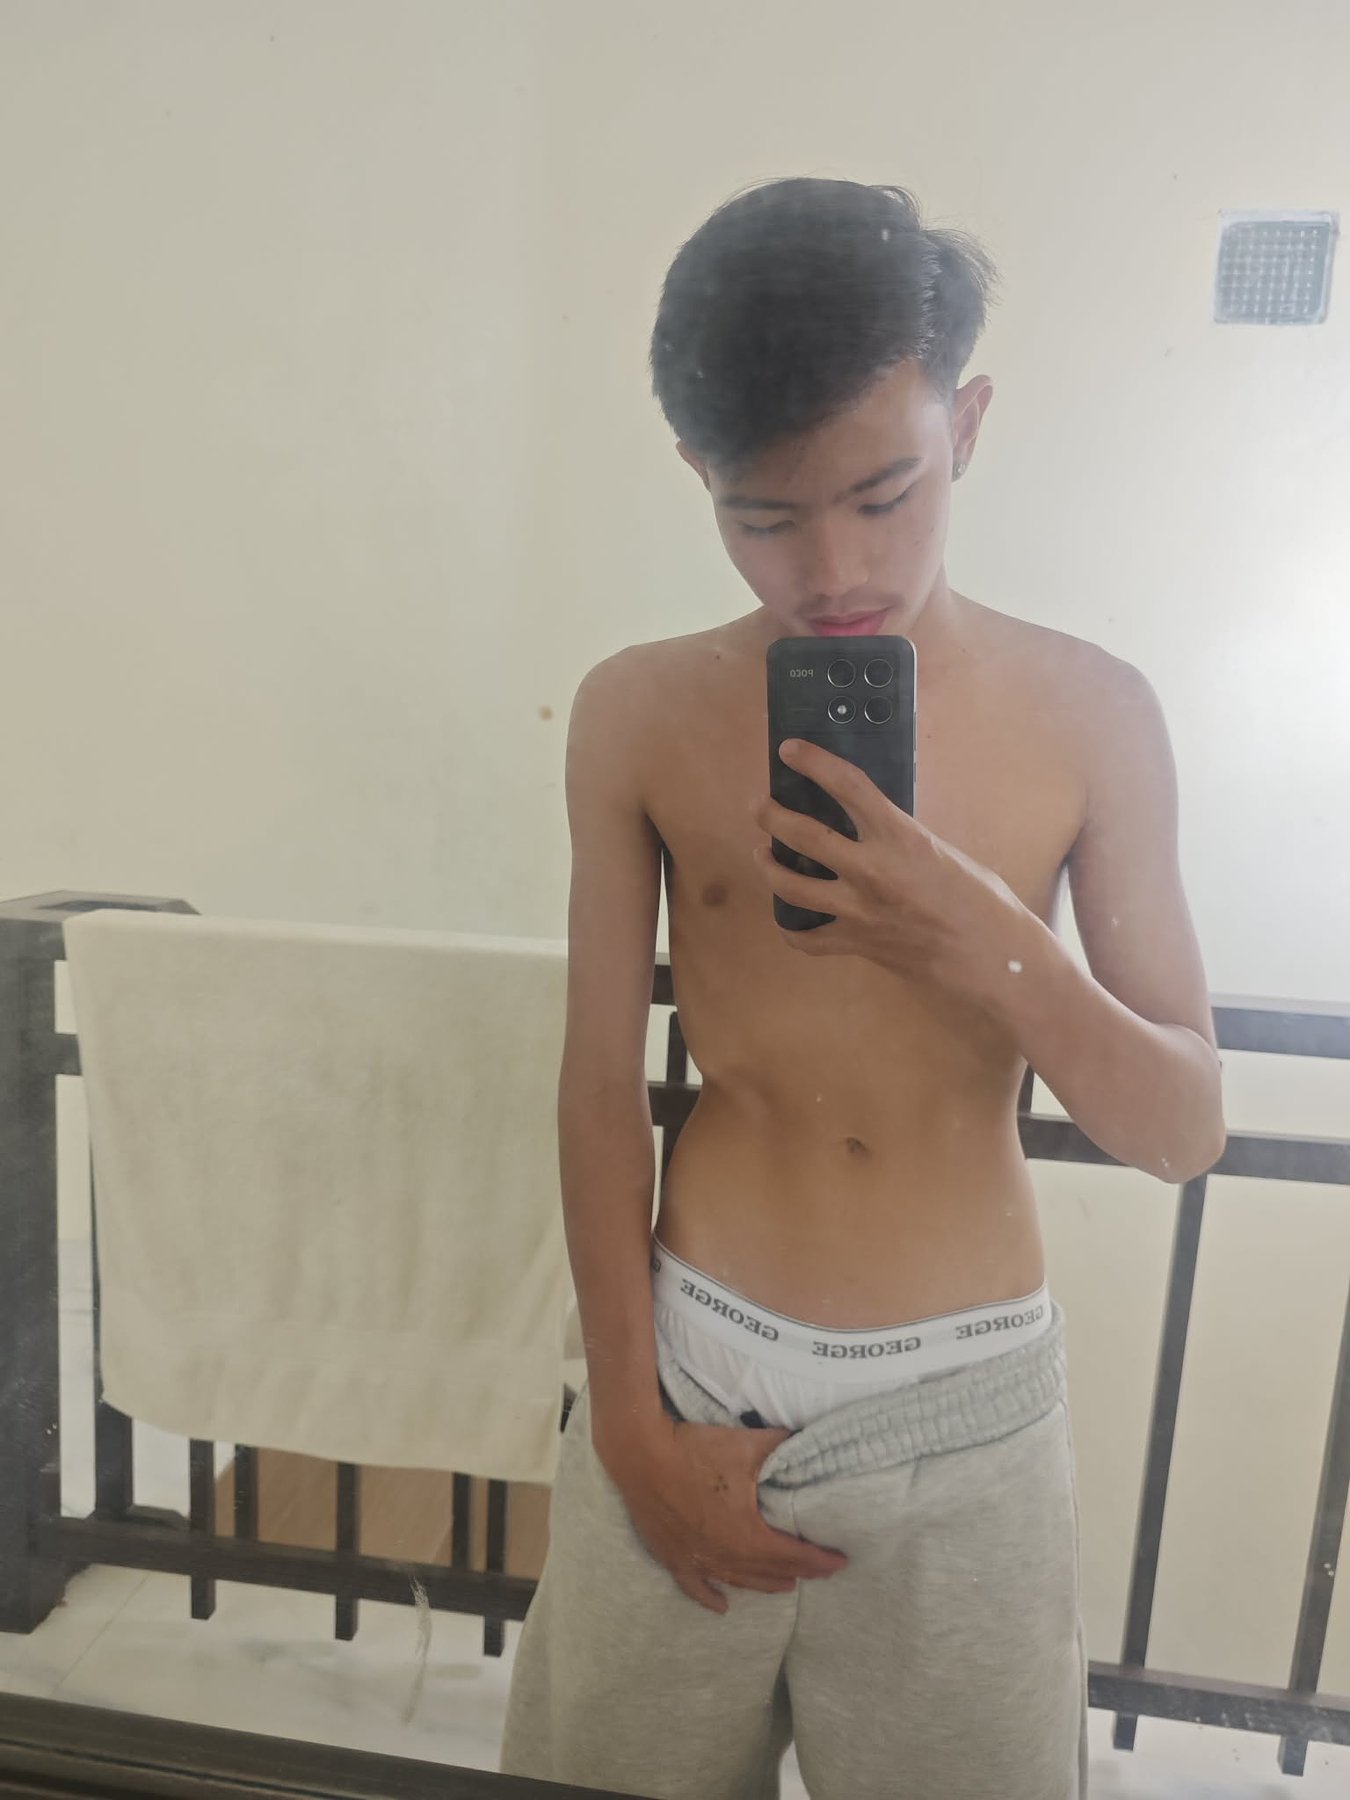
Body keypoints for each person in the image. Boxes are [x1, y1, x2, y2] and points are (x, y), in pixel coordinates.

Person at [500, 177, 1225, 1800]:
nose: (832, 567)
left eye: (884, 494)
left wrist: (978, 930)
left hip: (963, 1417)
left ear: (964, 425)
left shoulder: (1091, 714)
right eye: (765, 517)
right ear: (697, 476)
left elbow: (1181, 1130)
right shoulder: (637, 711)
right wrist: (625, 1421)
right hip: (685, 1369)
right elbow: (597, 1087)